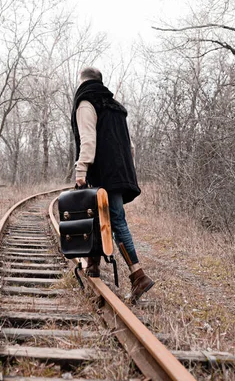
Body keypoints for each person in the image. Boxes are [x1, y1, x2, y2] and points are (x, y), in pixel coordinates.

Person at [71, 66, 154, 303]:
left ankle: (138, 275)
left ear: (82, 81)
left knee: (116, 220)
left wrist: (81, 169)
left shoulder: (87, 102)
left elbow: (88, 139)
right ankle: (93, 268)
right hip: (118, 172)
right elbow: (131, 147)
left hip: (103, 172)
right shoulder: (116, 108)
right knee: (98, 216)